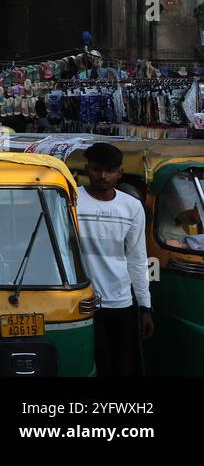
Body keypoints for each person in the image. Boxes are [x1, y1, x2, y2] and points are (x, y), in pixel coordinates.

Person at [77, 142, 154, 376]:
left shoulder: (131, 207)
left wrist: (145, 306)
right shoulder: (71, 201)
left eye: (109, 171)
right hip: (82, 303)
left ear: (119, 173)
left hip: (121, 303)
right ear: (87, 168)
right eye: (97, 169)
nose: (102, 176)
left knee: (121, 366)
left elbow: (137, 258)